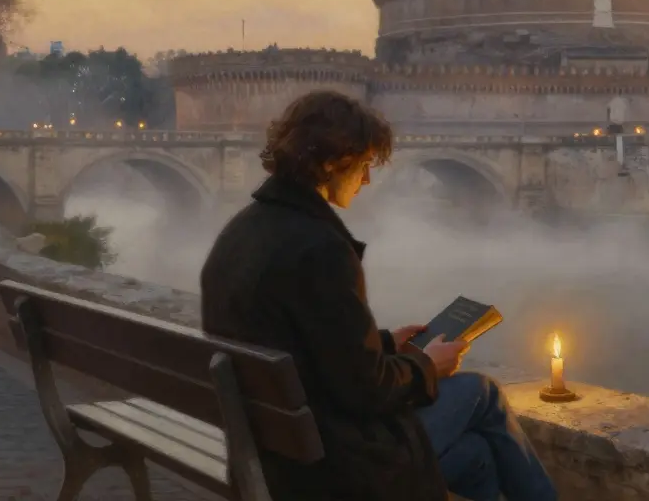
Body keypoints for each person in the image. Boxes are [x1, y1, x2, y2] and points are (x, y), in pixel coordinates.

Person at [200, 90, 557, 501]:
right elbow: (368, 390)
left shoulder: (241, 231)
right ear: (332, 161)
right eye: (365, 164)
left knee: (474, 456)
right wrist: (426, 364)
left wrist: (387, 343)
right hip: (331, 465)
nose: (368, 179)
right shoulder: (320, 249)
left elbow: (311, 343)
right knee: (482, 393)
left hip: (273, 449)